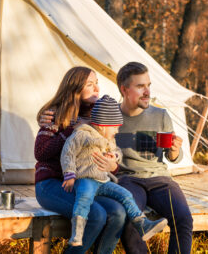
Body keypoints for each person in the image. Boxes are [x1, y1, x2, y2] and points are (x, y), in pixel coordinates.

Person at [92, 62, 193, 254]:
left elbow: (173, 157)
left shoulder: (160, 115)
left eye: (148, 85)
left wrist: (174, 151)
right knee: (131, 224)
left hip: (160, 179)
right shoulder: (109, 117)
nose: (147, 91)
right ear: (124, 89)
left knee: (184, 218)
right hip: (128, 179)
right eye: (140, 86)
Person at [34, 67, 126, 254]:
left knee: (118, 213)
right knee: (96, 215)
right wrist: (72, 129)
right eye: (90, 84)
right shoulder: (55, 114)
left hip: (85, 183)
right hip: (51, 184)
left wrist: (112, 165)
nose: (97, 89)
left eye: (97, 83)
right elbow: (41, 152)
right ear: (75, 88)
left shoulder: (99, 114)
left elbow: (109, 151)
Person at [61, 95, 168, 247]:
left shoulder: (109, 140)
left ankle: (142, 224)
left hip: (103, 181)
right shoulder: (82, 134)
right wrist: (69, 174)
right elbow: (68, 153)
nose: (117, 130)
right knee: (84, 198)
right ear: (103, 125)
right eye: (115, 127)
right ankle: (77, 234)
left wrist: (115, 156)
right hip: (85, 178)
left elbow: (118, 151)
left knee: (125, 194)